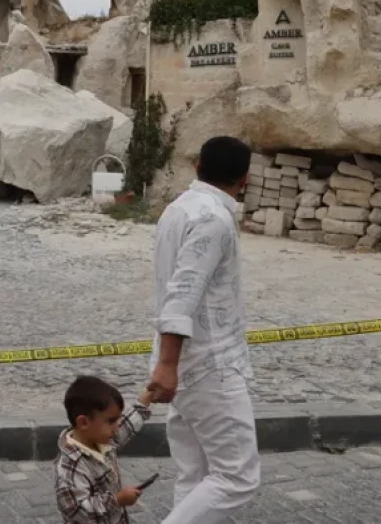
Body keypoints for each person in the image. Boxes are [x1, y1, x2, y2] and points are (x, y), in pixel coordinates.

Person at [147, 136, 260, 524]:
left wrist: (168, 364)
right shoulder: (213, 219)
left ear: (197, 166)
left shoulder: (178, 209)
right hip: (209, 365)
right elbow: (183, 293)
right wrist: (167, 365)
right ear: (244, 180)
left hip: (184, 365)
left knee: (194, 475)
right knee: (237, 477)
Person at [54, 375, 154, 523]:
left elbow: (127, 425)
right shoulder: (70, 467)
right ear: (83, 422)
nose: (116, 427)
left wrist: (149, 396)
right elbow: (78, 512)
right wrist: (117, 501)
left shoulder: (102, 439)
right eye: (111, 421)